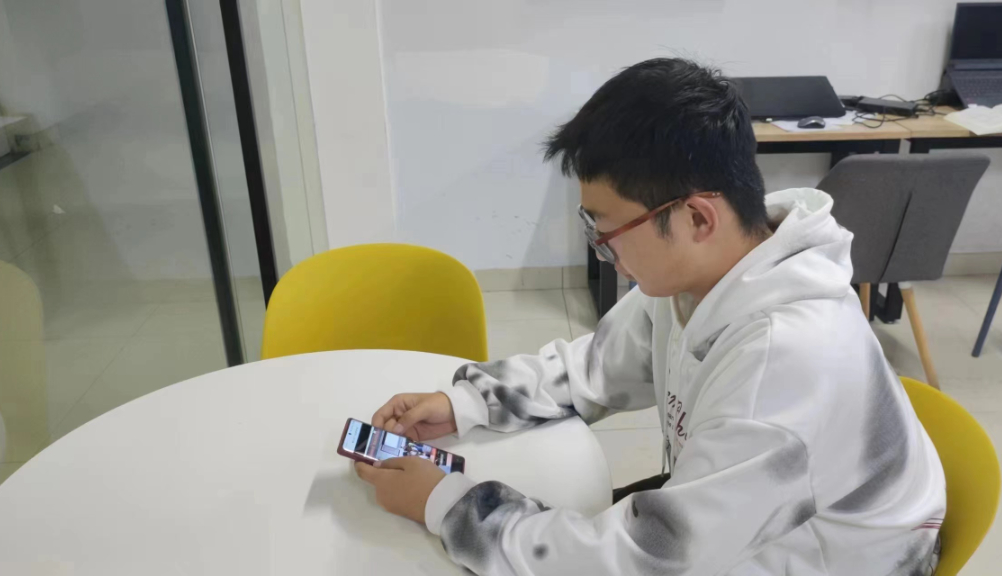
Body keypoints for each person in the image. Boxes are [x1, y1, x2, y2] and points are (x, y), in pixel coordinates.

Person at [354, 57, 946, 576]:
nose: (601, 249)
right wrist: (466, 402)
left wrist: (446, 505)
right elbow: (598, 365)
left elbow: (644, 560)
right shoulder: (714, 271)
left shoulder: (785, 363)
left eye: (606, 230)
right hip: (750, 516)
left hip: (834, 558)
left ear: (698, 218)